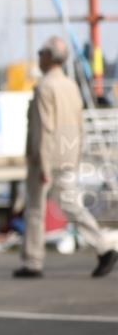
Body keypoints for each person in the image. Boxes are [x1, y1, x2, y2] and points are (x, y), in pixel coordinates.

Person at [13, 36, 117, 279]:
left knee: (36, 210)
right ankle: (102, 246)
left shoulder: (44, 87)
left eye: (40, 52)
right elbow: (80, 125)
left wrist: (43, 164)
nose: (38, 57)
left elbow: (43, 129)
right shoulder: (71, 86)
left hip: (46, 159)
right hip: (69, 154)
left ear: (49, 57)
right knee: (70, 205)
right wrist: (77, 154)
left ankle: (33, 261)